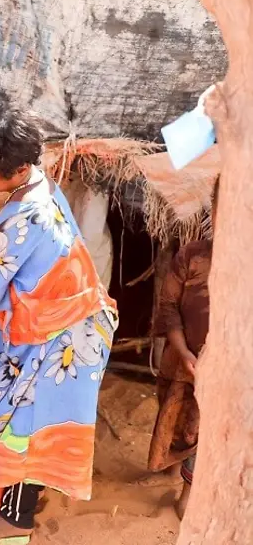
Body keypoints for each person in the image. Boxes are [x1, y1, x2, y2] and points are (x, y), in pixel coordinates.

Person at [0, 105, 117, 545]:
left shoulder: (28, 216)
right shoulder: (38, 186)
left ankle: (14, 525)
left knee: (25, 426)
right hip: (68, 324)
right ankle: (20, 502)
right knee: (30, 422)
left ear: (17, 169)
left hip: (62, 339)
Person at [148, 177, 216, 519]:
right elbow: (169, 305)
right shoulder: (193, 255)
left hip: (221, 368)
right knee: (172, 417)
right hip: (179, 361)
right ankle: (170, 468)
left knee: (200, 427)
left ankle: (189, 491)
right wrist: (185, 352)